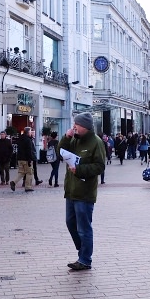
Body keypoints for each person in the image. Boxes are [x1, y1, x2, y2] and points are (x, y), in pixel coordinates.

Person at [58, 112, 106, 271]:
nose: (74, 127)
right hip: (71, 190)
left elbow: (99, 166)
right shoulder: (73, 139)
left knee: (84, 228)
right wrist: (66, 137)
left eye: (77, 125)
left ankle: (85, 259)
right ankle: (83, 251)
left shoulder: (96, 142)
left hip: (85, 193)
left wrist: (79, 169)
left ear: (85, 126)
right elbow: (61, 154)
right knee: (70, 223)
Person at [10, 127, 36, 192]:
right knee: (29, 172)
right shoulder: (28, 140)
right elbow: (29, 151)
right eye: (30, 132)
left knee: (21, 172)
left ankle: (14, 182)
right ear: (28, 132)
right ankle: (28, 187)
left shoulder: (20, 139)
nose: (31, 133)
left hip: (19, 159)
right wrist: (30, 160)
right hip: (26, 159)